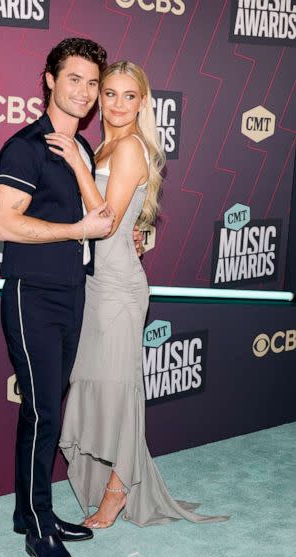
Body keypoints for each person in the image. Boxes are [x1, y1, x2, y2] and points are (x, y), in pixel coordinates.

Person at [46, 61, 229, 529]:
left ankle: (118, 491)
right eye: (110, 93)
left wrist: (74, 163)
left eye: (130, 96)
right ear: (99, 98)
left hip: (118, 289)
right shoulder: (104, 145)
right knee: (93, 383)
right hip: (91, 283)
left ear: (143, 102)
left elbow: (103, 219)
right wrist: (140, 230)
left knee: (118, 391)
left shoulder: (127, 148)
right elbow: (124, 221)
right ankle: (110, 480)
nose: (118, 104)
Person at [0, 38, 115, 557]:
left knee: (41, 410)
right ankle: (40, 530)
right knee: (44, 413)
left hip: (72, 294)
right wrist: (76, 231)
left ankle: (28, 510)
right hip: (31, 295)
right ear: (48, 79)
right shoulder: (24, 147)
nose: (85, 92)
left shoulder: (83, 149)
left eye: (92, 83)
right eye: (74, 79)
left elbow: (99, 217)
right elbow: (5, 224)